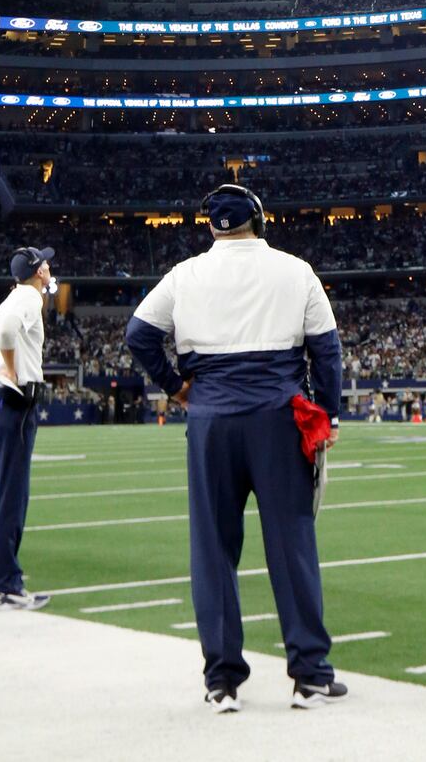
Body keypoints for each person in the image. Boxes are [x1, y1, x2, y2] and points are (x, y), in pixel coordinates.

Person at [125, 183, 345, 712]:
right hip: (278, 417)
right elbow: (327, 350)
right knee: (291, 544)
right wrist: (330, 414)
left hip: (211, 418)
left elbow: (138, 333)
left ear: (211, 227)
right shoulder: (296, 270)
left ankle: (222, 679)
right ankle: (309, 674)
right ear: (260, 220)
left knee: (214, 549)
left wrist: (176, 385)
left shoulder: (185, 275)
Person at [0, 244, 57, 609]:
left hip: (2, 400)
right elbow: (2, 333)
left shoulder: (15, 296)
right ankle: (6, 585)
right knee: (12, 496)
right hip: (18, 402)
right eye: (46, 263)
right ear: (38, 271)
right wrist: (11, 370)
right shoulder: (29, 299)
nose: (50, 267)